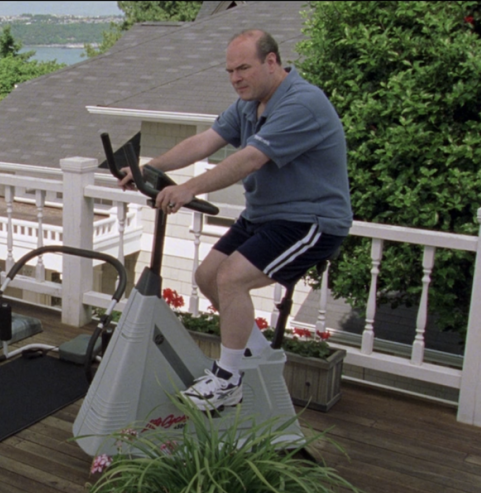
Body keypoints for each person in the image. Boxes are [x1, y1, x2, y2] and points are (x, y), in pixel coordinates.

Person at [118, 29, 352, 411]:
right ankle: (257, 355)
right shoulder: (248, 104)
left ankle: (227, 380)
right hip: (263, 216)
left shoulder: (302, 102)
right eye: (230, 71)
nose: (236, 78)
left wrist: (189, 188)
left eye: (243, 68)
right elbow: (205, 141)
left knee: (232, 278)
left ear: (272, 62)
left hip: (311, 221)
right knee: (207, 276)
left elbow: (249, 159)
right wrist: (148, 168)